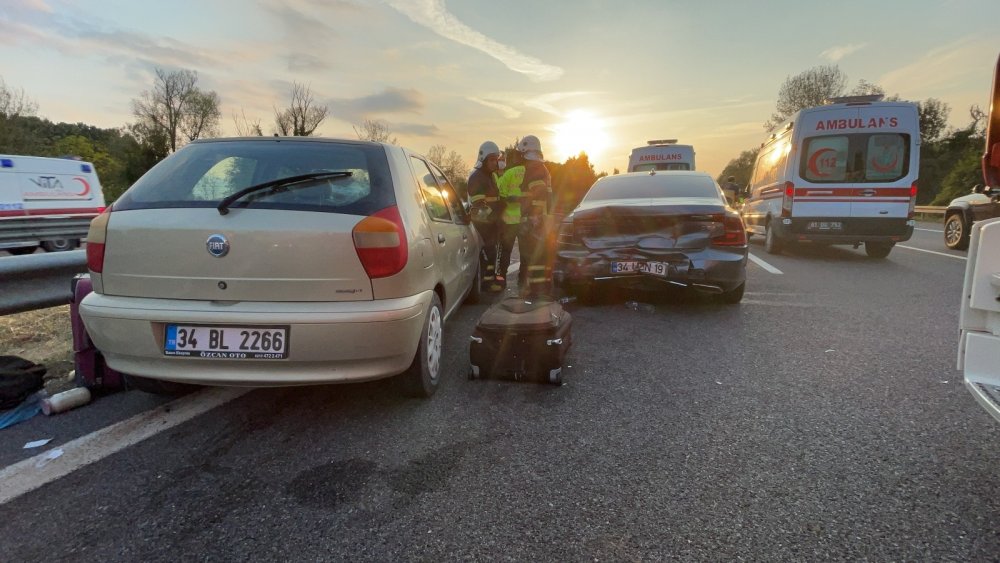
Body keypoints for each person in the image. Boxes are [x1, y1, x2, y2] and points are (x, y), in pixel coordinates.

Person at [496, 135, 553, 296]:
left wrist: (530, 217)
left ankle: (532, 290)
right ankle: (531, 287)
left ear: (526, 153)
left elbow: (537, 197)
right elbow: (545, 198)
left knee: (527, 256)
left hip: (530, 221)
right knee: (530, 257)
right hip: (534, 220)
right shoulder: (542, 169)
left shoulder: (534, 170)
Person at [467, 141, 504, 291]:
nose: (495, 163)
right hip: (483, 227)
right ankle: (487, 284)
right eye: (492, 159)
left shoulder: (490, 176)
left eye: (496, 159)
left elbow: (493, 199)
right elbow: (479, 207)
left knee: (492, 254)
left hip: (491, 227)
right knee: (487, 256)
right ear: (483, 159)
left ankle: (490, 281)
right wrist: (495, 217)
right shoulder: (477, 177)